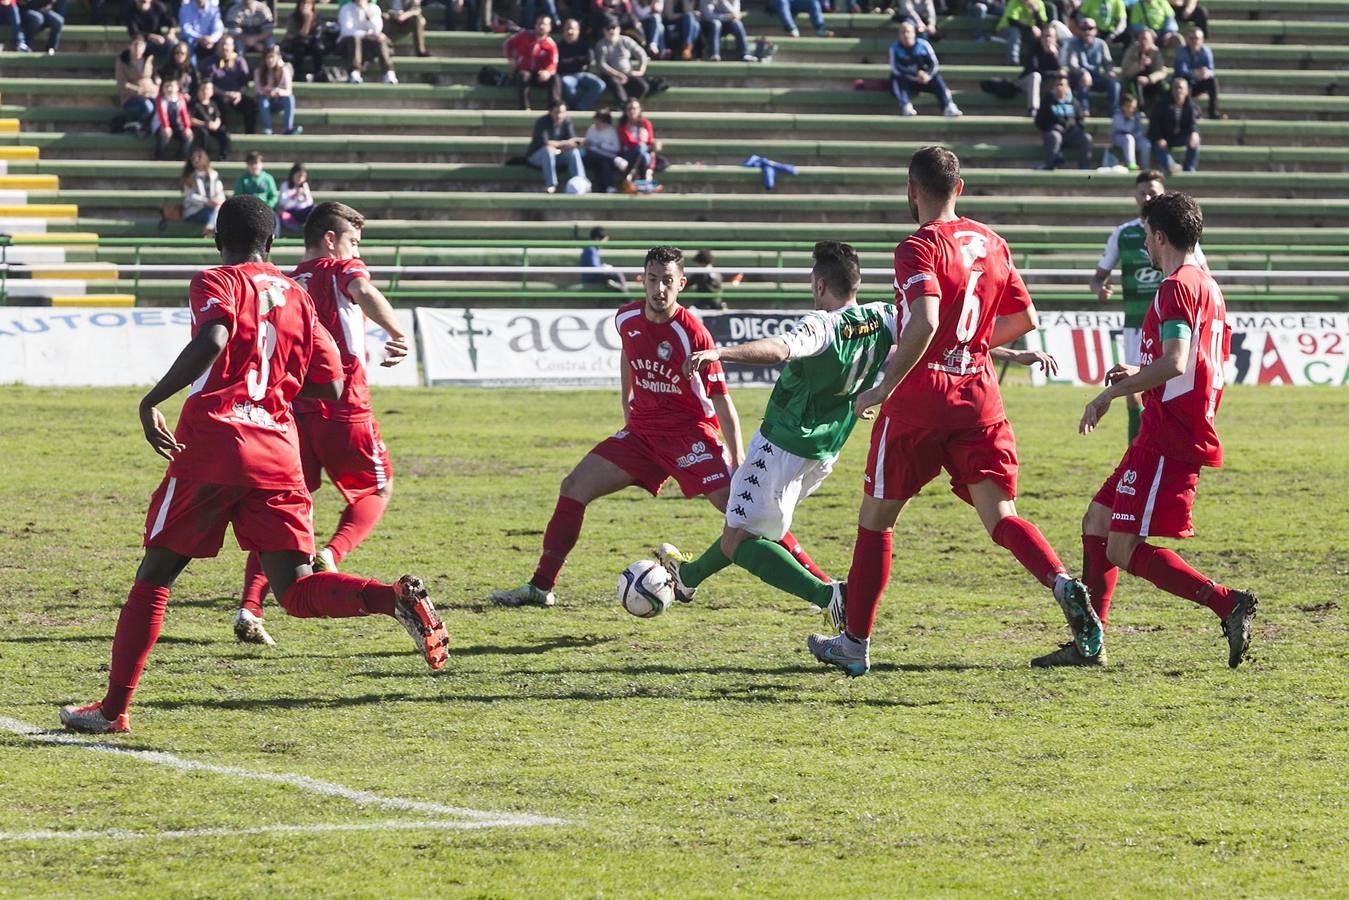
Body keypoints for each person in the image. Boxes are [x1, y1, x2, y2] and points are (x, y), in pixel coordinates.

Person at [57, 196, 448, 735]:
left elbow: (214, 337)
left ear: (218, 240)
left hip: (216, 443)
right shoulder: (299, 295)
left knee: (156, 576)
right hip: (279, 453)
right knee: (293, 590)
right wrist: (278, 386)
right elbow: (331, 383)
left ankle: (112, 709)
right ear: (272, 243)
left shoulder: (216, 279)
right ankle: (390, 599)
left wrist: (152, 400)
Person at [806, 146, 1099, 678]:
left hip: (920, 399)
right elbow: (1024, 317)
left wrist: (881, 388)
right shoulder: (992, 242)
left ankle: (854, 644)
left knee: (876, 522)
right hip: (978, 395)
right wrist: (973, 347)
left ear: (911, 190)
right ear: (959, 188)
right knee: (1002, 517)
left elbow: (924, 319)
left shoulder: (917, 246)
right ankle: (1060, 582)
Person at [1033, 191, 1256, 668]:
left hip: (1169, 435)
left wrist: (1111, 394)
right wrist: (1137, 370)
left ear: (1158, 236)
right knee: (1096, 519)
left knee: (1120, 545)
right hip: (1164, 428)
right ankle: (1089, 642)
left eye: (1149, 242)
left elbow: (1175, 363)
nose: (1147, 252)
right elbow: (1189, 362)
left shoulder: (1176, 285)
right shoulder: (1206, 285)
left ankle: (1226, 603)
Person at [489, 245, 748, 608]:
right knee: (574, 486)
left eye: (668, 282)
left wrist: (738, 459)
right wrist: (627, 406)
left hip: (689, 435)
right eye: (653, 280)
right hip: (642, 434)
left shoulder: (694, 334)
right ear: (643, 280)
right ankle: (540, 587)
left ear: (682, 284)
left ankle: (816, 583)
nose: (659, 289)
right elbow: (628, 354)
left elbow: (721, 398)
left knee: (740, 507)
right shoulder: (626, 318)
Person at [656, 242, 895, 620]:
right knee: (744, 527)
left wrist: (722, 352)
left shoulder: (821, 324)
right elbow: (927, 335)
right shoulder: (883, 315)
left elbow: (780, 348)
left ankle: (828, 596)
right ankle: (687, 578)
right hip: (825, 449)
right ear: (857, 283)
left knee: (740, 540)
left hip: (782, 444)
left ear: (819, 285)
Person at [235, 201, 416, 647]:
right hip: (344, 404)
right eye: (353, 241)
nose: (356, 250)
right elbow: (365, 292)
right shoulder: (341, 268)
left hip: (294, 409)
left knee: (279, 512)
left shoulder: (283, 281)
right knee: (376, 489)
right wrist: (397, 332)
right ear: (332, 240)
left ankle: (250, 607)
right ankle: (331, 555)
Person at [1088, 168, 1208, 444]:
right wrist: (1100, 289)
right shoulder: (1123, 233)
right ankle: (1137, 446)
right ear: (1134, 196)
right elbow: (1097, 277)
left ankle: (1150, 445)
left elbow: (1203, 273)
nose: (1146, 197)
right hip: (1137, 323)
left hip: (1173, 319)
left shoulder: (1179, 237)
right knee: (1134, 392)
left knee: (1161, 383)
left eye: (1152, 192)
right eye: (1142, 192)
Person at [888, 21, 961, 118]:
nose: (906, 34)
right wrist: (916, 74)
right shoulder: (894, 48)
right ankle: (906, 106)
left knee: (937, 79)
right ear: (899, 35)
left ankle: (948, 106)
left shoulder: (923, 45)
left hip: (925, 80)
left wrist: (927, 75)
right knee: (896, 78)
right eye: (902, 32)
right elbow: (896, 68)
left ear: (914, 33)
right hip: (908, 81)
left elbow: (934, 64)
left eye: (908, 31)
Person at [1034, 72, 1093, 170]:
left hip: (1071, 134)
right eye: (1057, 85)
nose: (1059, 87)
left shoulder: (1074, 102)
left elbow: (1080, 120)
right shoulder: (1047, 100)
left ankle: (1084, 167)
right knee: (1054, 136)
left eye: (1062, 84)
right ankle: (1051, 165)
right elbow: (1039, 121)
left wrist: (1075, 128)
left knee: (1087, 138)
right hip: (1055, 133)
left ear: (1067, 87)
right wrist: (1052, 127)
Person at [527, 101, 585, 193]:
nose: (559, 115)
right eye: (556, 112)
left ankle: (580, 183)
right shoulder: (541, 122)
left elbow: (572, 142)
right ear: (550, 111)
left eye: (561, 112)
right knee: (548, 151)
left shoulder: (567, 121)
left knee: (574, 152)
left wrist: (562, 145)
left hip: (558, 154)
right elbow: (545, 143)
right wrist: (564, 143)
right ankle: (551, 185)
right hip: (537, 156)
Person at [505, 14, 561, 110]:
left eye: (545, 24)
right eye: (539, 24)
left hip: (539, 76)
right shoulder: (524, 36)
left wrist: (547, 72)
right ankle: (524, 108)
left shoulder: (551, 45)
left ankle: (554, 108)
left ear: (550, 28)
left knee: (555, 78)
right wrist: (510, 58)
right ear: (535, 25)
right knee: (523, 75)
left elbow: (553, 63)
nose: (541, 26)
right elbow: (508, 44)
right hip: (524, 72)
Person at [1065, 17, 1119, 115]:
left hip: (1096, 77)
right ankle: (1084, 109)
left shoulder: (1101, 44)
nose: (1087, 31)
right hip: (1078, 77)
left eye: (1090, 28)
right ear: (1079, 30)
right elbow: (1072, 64)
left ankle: (1113, 111)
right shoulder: (1073, 43)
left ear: (1095, 30)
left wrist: (1109, 71)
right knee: (1083, 81)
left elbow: (1107, 63)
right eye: (1083, 29)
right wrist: (1083, 72)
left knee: (1114, 83)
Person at [592, 15, 650, 104]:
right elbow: (602, 65)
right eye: (608, 28)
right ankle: (624, 106)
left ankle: (629, 106)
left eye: (613, 27)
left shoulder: (626, 40)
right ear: (604, 31)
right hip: (610, 76)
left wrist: (641, 69)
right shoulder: (601, 45)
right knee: (616, 85)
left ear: (618, 29)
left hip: (628, 73)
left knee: (643, 86)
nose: (611, 31)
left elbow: (641, 53)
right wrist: (618, 74)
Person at [1148, 77, 1200, 173]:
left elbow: (1192, 124)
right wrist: (1159, 138)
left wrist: (1194, 132)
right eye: (1175, 88)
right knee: (1158, 146)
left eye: (1181, 88)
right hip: (1163, 137)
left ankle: (1189, 168)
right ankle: (1171, 166)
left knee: (1195, 139)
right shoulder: (1162, 105)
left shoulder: (1191, 107)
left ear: (1187, 91)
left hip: (1179, 137)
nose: (1178, 90)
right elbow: (1154, 124)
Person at [338, 0, 397, 84]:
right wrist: (365, 35)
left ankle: (389, 73)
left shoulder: (374, 8)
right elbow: (346, 31)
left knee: (381, 39)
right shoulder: (346, 8)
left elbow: (377, 29)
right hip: (348, 45)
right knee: (355, 39)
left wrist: (367, 13)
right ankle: (355, 72)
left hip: (369, 44)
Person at [210, 35, 258, 133]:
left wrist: (238, 94)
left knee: (250, 104)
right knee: (217, 104)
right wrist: (224, 94)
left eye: (227, 45)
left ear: (233, 47)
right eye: (222, 44)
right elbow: (208, 85)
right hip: (218, 95)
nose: (224, 47)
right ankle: (222, 133)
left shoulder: (240, 61)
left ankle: (250, 134)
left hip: (237, 95)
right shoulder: (210, 62)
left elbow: (245, 84)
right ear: (218, 46)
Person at [556, 18, 606, 111]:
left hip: (581, 74)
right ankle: (575, 108)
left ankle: (580, 108)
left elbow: (589, 58)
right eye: (567, 29)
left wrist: (570, 61)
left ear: (578, 31)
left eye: (572, 29)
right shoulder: (559, 46)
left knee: (600, 84)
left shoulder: (584, 44)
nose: (570, 31)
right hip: (566, 75)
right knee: (567, 85)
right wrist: (579, 60)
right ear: (563, 31)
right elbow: (560, 63)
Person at [117, 35, 160, 137]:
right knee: (148, 107)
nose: (137, 48)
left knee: (161, 105)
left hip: (152, 91)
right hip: (131, 96)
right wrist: (141, 92)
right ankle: (137, 125)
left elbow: (154, 74)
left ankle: (152, 129)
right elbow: (123, 84)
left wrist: (157, 81)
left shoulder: (149, 58)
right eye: (135, 45)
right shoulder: (122, 61)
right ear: (130, 46)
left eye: (140, 45)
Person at [1173, 27, 1218, 119]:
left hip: (1199, 82)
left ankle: (1213, 112)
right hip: (1187, 81)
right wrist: (1195, 73)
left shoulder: (1206, 51)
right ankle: (1191, 112)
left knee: (1212, 82)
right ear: (1187, 40)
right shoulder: (1182, 51)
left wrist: (1206, 73)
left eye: (1196, 38)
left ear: (1202, 40)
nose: (1194, 41)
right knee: (1183, 83)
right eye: (1191, 38)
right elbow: (1181, 71)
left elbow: (1211, 70)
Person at [255, 43, 300, 135]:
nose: (270, 60)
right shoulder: (259, 71)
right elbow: (258, 90)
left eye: (272, 57)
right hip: (267, 101)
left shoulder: (284, 69)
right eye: (267, 57)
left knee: (290, 98)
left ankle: (288, 128)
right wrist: (267, 91)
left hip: (279, 100)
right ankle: (268, 129)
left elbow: (288, 90)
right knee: (262, 100)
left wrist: (278, 91)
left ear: (277, 57)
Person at [1018, 26, 1062, 116]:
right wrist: (1052, 73)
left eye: (1050, 36)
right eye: (1044, 36)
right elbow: (1034, 69)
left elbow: (1062, 72)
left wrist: (1054, 56)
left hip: (1046, 83)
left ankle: (1060, 109)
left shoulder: (1059, 51)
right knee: (1035, 75)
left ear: (1055, 39)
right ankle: (1033, 109)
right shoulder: (1034, 48)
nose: (1047, 39)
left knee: (1062, 80)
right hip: (1027, 82)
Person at [617, 97, 659, 189]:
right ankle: (644, 182)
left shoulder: (645, 123)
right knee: (640, 148)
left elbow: (650, 142)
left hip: (644, 155)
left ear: (639, 110)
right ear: (625, 111)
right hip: (628, 154)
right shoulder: (623, 126)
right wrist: (641, 141)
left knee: (643, 153)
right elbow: (629, 143)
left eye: (635, 108)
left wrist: (651, 166)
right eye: (629, 109)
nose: (632, 111)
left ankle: (631, 176)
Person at [180, 147, 224, 234]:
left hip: (214, 207)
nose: (196, 160)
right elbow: (190, 197)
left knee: (218, 210)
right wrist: (207, 202)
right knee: (213, 213)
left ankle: (210, 228)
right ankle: (210, 229)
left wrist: (217, 201)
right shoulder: (189, 177)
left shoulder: (213, 175)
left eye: (198, 157)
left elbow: (219, 192)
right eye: (193, 158)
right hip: (194, 210)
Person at [1120, 27, 1166, 107]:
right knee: (1137, 84)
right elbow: (1125, 71)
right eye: (1141, 39)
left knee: (1162, 86)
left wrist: (1149, 79)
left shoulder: (1156, 52)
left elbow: (1162, 71)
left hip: (1151, 81)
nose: (1143, 42)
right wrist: (1139, 65)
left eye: (1145, 39)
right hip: (1134, 80)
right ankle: (1140, 109)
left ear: (1152, 41)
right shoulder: (1131, 50)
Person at [583, 106, 626, 191]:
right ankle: (614, 159)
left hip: (604, 159)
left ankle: (607, 187)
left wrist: (602, 146)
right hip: (591, 158)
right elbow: (588, 147)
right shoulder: (591, 129)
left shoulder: (612, 131)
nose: (597, 124)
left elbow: (616, 148)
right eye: (596, 121)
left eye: (600, 122)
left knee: (604, 164)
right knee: (592, 152)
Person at [994, 0, 1049, 66]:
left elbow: (1043, 24)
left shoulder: (1039, 3)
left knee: (1038, 36)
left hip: (1026, 31)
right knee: (1015, 31)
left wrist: (1035, 12)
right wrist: (1030, 28)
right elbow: (1012, 22)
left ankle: (1034, 62)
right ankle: (1013, 61)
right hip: (1005, 30)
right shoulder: (1014, 2)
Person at [281, 0, 324, 83]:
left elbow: (317, 35)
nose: (305, 6)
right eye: (303, 3)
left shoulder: (318, 17)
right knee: (299, 47)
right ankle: (298, 75)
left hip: (312, 44)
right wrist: (307, 20)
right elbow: (296, 36)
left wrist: (310, 20)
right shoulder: (293, 17)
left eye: (308, 3)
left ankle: (318, 74)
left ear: (312, 5)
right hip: (297, 45)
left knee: (318, 47)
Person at [152, 77, 195, 160]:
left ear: (177, 88)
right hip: (161, 124)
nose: (169, 89)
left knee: (189, 136)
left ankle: (181, 156)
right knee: (165, 134)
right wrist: (166, 126)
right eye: (166, 86)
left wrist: (187, 127)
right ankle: (160, 156)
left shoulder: (180, 99)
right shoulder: (160, 99)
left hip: (176, 124)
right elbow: (162, 114)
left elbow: (184, 114)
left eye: (171, 86)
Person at [1102, 93, 1146, 169]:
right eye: (1130, 106)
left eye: (1134, 106)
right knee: (1128, 138)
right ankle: (1131, 163)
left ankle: (1145, 168)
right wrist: (1131, 118)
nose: (1132, 108)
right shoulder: (1117, 114)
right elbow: (1124, 129)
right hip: (1118, 138)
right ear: (1124, 106)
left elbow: (1139, 132)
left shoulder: (1136, 115)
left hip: (1133, 138)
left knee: (1146, 144)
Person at [189, 80, 231, 159]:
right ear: (198, 91)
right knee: (203, 134)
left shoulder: (213, 103)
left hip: (213, 127)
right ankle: (203, 156)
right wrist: (205, 124)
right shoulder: (193, 104)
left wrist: (215, 124)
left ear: (212, 92)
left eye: (208, 89)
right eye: (203, 89)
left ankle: (223, 156)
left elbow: (218, 117)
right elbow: (190, 119)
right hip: (200, 128)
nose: (205, 91)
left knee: (224, 134)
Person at [580, 225, 627, 290]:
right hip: (591, 278)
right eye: (604, 240)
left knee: (615, 279)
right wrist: (604, 267)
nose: (605, 243)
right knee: (618, 273)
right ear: (597, 239)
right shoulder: (591, 249)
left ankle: (623, 290)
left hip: (592, 276)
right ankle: (626, 293)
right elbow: (595, 268)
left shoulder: (591, 249)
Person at [179, 0, 224, 65]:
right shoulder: (185, 8)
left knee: (223, 45)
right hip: (192, 40)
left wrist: (211, 39)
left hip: (210, 41)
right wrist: (200, 38)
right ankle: (193, 71)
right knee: (187, 46)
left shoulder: (214, 9)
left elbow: (218, 29)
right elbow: (186, 29)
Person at [277, 162, 314, 230]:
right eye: (298, 176)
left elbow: (310, 203)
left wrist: (305, 195)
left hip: (303, 211)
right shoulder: (285, 185)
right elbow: (283, 204)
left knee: (314, 208)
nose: (300, 179)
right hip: (291, 212)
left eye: (303, 177)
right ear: (293, 175)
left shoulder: (304, 185)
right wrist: (294, 195)